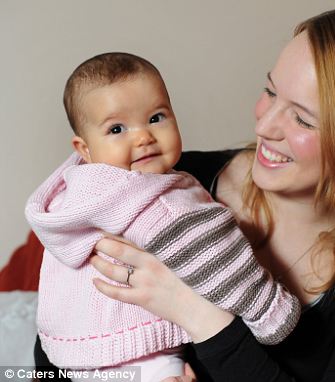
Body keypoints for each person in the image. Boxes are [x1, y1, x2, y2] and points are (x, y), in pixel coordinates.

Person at [35, 5, 335, 382]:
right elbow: (52, 351)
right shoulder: (159, 183)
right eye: (270, 92)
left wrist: (198, 314)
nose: (264, 126)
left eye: (302, 119)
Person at [26, 52, 301, 381]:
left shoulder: (71, 194)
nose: (143, 137)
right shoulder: (152, 197)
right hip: (140, 354)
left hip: (72, 352)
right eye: (117, 128)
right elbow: (214, 254)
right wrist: (270, 309)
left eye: (156, 117)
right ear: (83, 148)